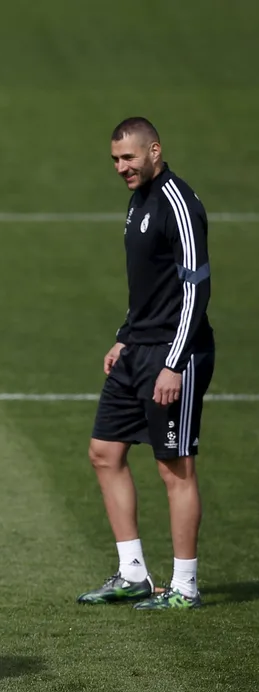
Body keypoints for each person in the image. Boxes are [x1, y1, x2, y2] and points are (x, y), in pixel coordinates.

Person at [80, 117, 213, 610]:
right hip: (139, 350)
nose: (121, 167)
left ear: (154, 150)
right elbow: (150, 287)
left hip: (175, 353)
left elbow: (196, 285)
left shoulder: (179, 202)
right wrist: (124, 337)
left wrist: (174, 363)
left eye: (129, 158)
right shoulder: (139, 201)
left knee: (174, 468)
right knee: (104, 452)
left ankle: (184, 587)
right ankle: (132, 574)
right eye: (115, 159)